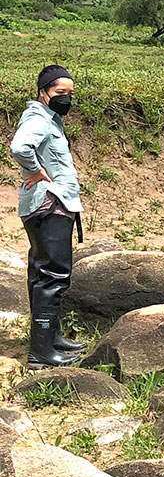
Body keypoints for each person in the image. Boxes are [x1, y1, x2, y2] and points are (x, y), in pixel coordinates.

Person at [9, 65, 86, 368]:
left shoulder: (48, 118)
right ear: (43, 92)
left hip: (46, 204)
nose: (65, 99)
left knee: (41, 271)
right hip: (50, 204)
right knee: (53, 273)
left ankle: (49, 338)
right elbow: (19, 146)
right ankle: (41, 352)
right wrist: (35, 171)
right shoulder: (38, 119)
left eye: (69, 94)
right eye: (59, 93)